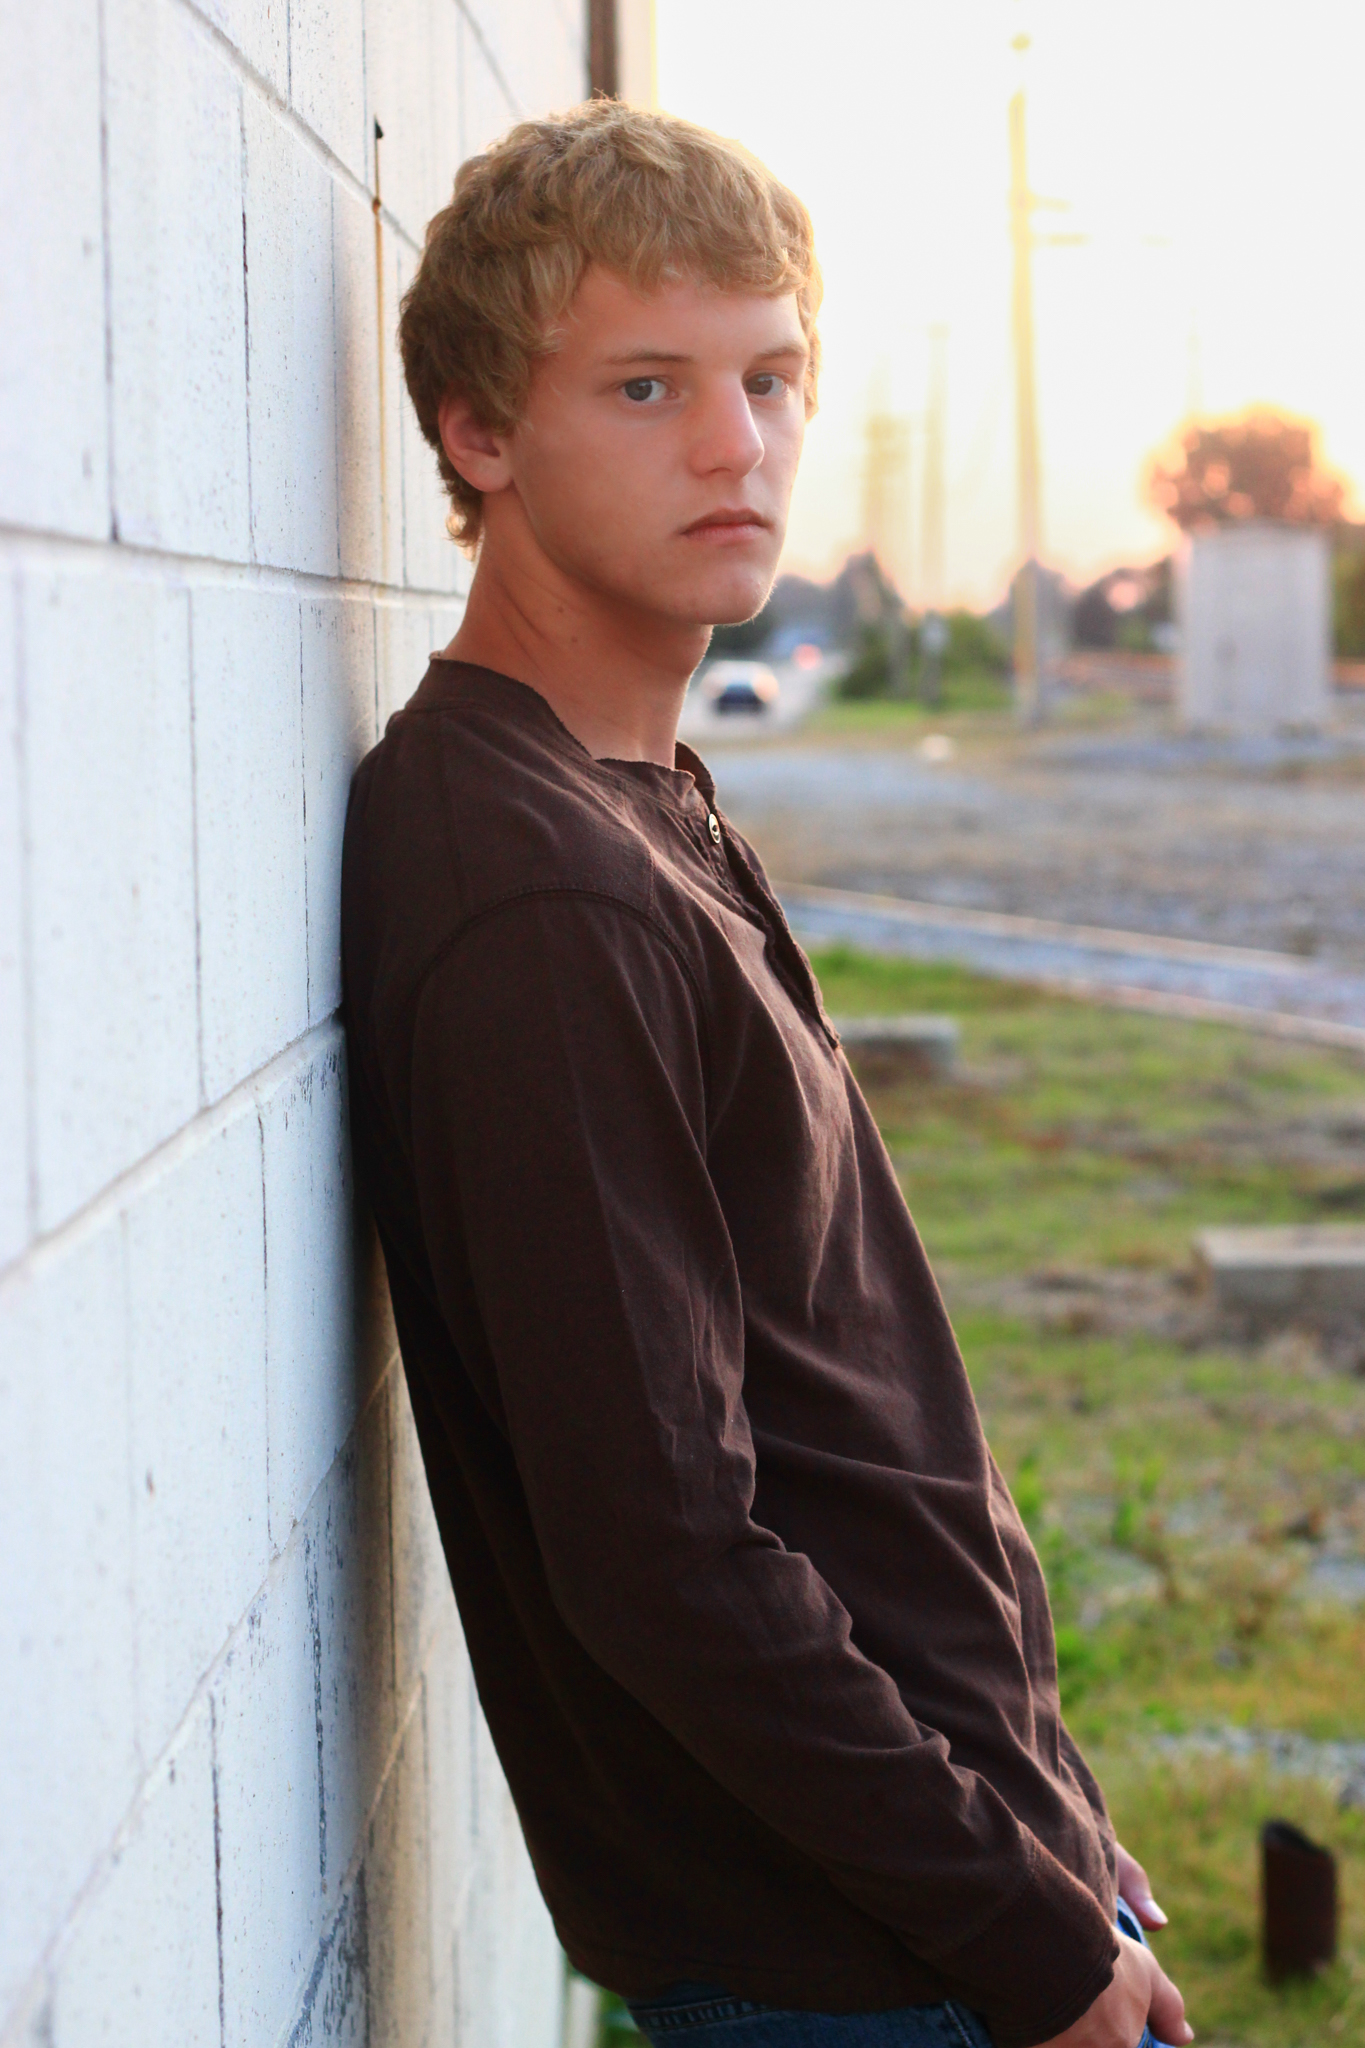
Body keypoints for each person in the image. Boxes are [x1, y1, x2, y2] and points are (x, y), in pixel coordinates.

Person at [341, 101, 1192, 2048]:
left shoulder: (630, 800)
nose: (736, 446)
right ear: (478, 437)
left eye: (771, 377)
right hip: (856, 1967)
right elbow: (663, 1556)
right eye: (645, 386)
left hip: (954, 1886)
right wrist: (1029, 1937)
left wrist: (1054, 1831)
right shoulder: (533, 891)